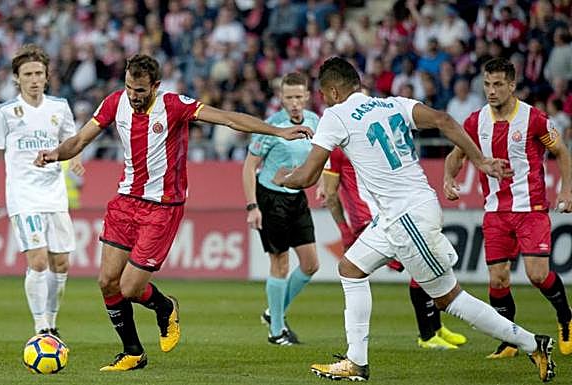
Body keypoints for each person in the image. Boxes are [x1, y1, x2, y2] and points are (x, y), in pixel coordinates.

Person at [273, 57, 555, 382]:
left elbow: (308, 177)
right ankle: (356, 361)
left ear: (334, 90)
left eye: (323, 94)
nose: (323, 100)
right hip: (401, 213)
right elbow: (445, 120)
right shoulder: (394, 104)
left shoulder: (335, 115)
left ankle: (533, 343)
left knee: (450, 299)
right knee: (350, 269)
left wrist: (283, 178)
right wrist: (479, 160)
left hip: (407, 217)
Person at [34, 54, 312, 371]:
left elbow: (228, 118)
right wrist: (56, 154)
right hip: (125, 201)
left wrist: (277, 132)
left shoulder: (174, 105)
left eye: (140, 90)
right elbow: (81, 139)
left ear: (155, 86)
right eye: (128, 88)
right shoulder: (115, 103)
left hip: (163, 208)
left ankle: (165, 307)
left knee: (130, 288)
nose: (133, 96)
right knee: (107, 282)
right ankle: (133, 353)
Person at [444, 57, 572, 358]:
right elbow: (456, 154)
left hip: (531, 208)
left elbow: (562, 151)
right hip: (495, 211)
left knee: (537, 274)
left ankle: (566, 318)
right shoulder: (476, 121)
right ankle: (510, 340)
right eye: (487, 84)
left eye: (498, 84)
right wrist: (449, 177)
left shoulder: (534, 118)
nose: (491, 90)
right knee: (498, 279)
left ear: (512, 85)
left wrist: (567, 189)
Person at [0, 44, 85, 337]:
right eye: (27, 74)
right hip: (23, 196)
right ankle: (40, 326)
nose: (34, 79)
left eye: (39, 73)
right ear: (17, 78)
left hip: (54, 194)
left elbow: (72, 141)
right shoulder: (5, 112)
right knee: (38, 260)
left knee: (61, 263)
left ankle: (52, 321)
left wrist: (75, 159)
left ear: (47, 75)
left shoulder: (59, 107)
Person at [319, 147, 467, 350]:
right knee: (421, 267)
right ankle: (427, 336)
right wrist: (344, 229)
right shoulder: (336, 149)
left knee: (425, 266)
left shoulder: (368, 139)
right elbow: (329, 193)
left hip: (390, 214)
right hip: (369, 221)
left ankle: (436, 328)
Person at [242, 72, 320, 346]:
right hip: (271, 199)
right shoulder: (271, 127)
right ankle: (276, 331)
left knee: (311, 264)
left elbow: (318, 156)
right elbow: (249, 167)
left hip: (297, 197)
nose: (295, 102)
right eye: (289, 97)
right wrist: (253, 206)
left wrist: (320, 181)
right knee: (281, 264)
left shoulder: (314, 121)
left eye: (299, 97)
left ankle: (273, 312)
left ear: (308, 96)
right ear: (281, 98)